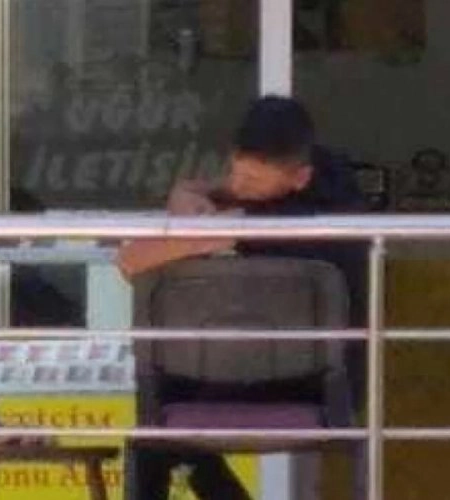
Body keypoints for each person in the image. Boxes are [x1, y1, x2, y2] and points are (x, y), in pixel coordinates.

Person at [117, 95, 368, 499]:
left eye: (251, 181)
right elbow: (219, 190)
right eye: (236, 170)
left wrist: (193, 219)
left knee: (157, 417)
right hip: (333, 382)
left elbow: (131, 260)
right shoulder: (332, 188)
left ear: (299, 179)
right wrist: (190, 191)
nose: (237, 186)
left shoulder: (259, 221)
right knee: (163, 417)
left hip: (301, 383)